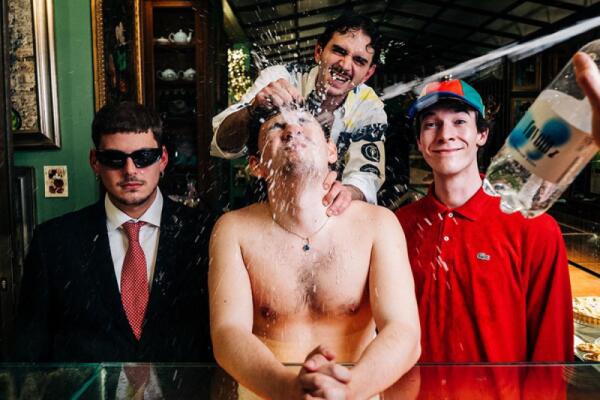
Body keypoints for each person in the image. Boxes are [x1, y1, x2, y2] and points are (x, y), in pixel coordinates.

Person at [209, 106, 420, 399]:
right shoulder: (233, 229)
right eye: (276, 127)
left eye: (304, 121)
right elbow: (227, 334)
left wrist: (347, 390)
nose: (292, 130)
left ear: (331, 151)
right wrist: (288, 389)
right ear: (256, 166)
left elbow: (404, 332)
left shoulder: (378, 224)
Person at [13, 102, 213, 362]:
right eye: (114, 159)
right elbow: (29, 350)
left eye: (143, 157)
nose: (130, 170)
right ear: (95, 162)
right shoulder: (53, 241)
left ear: (163, 159)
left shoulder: (206, 233)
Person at [395, 78, 574, 362]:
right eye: (431, 124)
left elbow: (552, 347)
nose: (445, 135)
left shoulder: (534, 228)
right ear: (419, 141)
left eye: (459, 121)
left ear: (482, 134)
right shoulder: (398, 227)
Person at [212, 11, 387, 215]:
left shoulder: (369, 105)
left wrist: (348, 191)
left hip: (329, 213)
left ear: (368, 73)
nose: (345, 65)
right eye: (339, 51)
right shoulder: (280, 77)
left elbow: (366, 173)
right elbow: (222, 144)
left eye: (359, 60)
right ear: (318, 52)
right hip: (267, 205)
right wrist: (253, 109)